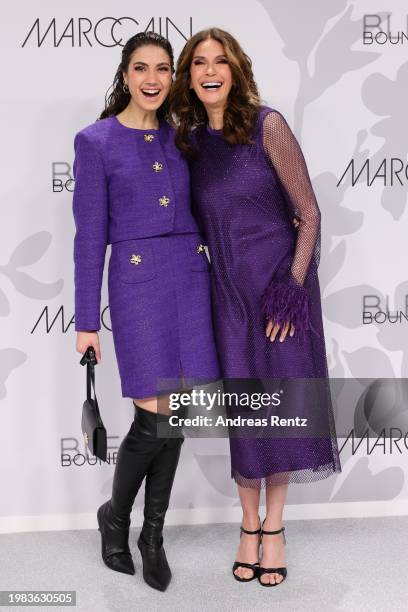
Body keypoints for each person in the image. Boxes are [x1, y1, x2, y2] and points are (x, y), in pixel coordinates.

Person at [170, 28, 342, 587]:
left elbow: (309, 214)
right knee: (246, 418)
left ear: (237, 70)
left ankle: (275, 528)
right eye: (199, 62)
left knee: (281, 413)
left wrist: (291, 288)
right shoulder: (190, 142)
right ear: (189, 75)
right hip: (227, 299)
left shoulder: (268, 126)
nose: (211, 70)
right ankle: (248, 526)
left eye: (221, 61)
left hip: (278, 297)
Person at [72, 31, 220, 592]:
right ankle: (117, 515)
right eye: (141, 68)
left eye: (163, 69)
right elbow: (90, 238)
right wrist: (87, 321)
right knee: (152, 411)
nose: (153, 79)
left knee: (175, 414)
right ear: (125, 75)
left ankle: (150, 536)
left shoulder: (186, 137)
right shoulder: (96, 140)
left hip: (190, 277)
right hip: (136, 286)